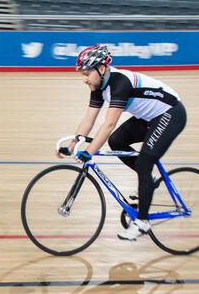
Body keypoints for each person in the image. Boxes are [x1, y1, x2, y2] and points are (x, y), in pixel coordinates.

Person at [57, 44, 187, 241]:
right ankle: (148, 181)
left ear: (101, 69)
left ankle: (142, 222)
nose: (84, 79)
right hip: (150, 118)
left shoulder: (120, 83)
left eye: (86, 73)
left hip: (170, 114)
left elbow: (108, 124)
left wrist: (89, 152)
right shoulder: (98, 85)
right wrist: (73, 144)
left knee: (144, 161)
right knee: (116, 141)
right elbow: (89, 120)